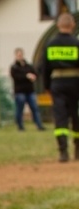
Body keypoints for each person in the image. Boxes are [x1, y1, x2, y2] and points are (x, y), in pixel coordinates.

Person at [42, 12, 79, 162]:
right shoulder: (76, 44)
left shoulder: (50, 44)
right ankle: (78, 150)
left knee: (60, 117)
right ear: (72, 26)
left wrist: (47, 87)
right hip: (76, 83)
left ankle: (63, 152)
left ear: (58, 26)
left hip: (57, 83)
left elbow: (45, 68)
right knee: (76, 116)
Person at [10, 47, 46, 132]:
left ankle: (39, 125)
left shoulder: (28, 66)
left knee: (35, 108)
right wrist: (26, 76)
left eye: (21, 54)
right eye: (18, 55)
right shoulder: (14, 67)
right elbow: (16, 77)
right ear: (15, 56)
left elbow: (35, 73)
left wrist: (33, 76)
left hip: (30, 91)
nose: (20, 56)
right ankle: (20, 126)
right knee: (20, 109)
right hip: (20, 92)